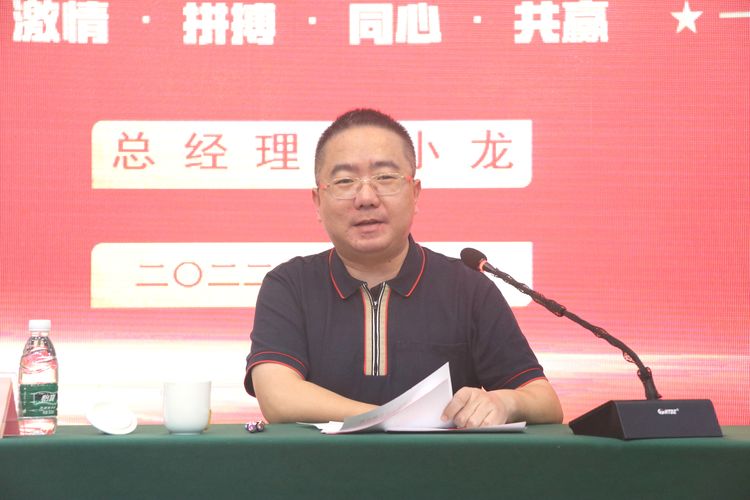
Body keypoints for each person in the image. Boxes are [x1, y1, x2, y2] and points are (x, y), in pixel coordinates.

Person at [245, 108, 563, 428]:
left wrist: (505, 402)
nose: (366, 197)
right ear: (317, 202)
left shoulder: (467, 288)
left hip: (439, 462)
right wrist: (400, 421)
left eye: (385, 178)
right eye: (344, 181)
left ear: (414, 193)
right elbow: (279, 397)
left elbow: (544, 401)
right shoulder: (291, 285)